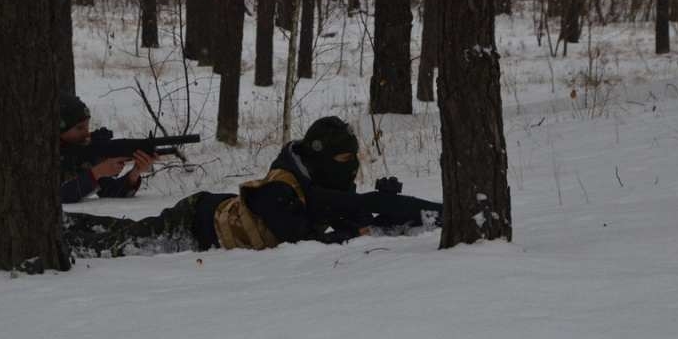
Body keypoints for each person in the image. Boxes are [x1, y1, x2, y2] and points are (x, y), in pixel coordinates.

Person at [64, 116, 443, 258]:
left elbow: (330, 211)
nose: (351, 169)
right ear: (319, 158)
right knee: (123, 243)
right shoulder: (281, 189)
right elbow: (300, 242)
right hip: (197, 224)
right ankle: (60, 231)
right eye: (343, 161)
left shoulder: (308, 184)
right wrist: (354, 226)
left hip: (215, 214)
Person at [0, 94, 156, 206]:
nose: (86, 133)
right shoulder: (34, 154)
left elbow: (107, 191)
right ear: (58, 131)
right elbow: (50, 197)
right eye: (79, 128)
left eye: (87, 126)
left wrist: (134, 173)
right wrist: (97, 172)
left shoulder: (77, 151)